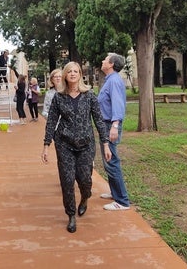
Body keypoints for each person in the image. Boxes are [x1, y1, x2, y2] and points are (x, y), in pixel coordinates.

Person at [41, 62, 111, 233]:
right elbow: (51, 121)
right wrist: (46, 145)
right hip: (64, 143)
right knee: (67, 180)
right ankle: (71, 215)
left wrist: (105, 144)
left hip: (85, 144)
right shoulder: (59, 97)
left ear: (80, 74)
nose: (72, 74)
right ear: (65, 75)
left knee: (85, 180)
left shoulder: (89, 96)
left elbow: (99, 121)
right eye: (69, 71)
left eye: (75, 71)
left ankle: (85, 197)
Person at [97, 53, 130, 211]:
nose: (103, 61)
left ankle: (122, 201)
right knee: (107, 160)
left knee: (111, 161)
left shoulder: (114, 81)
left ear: (110, 64)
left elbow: (118, 105)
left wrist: (115, 126)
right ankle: (115, 192)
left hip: (110, 123)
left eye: (105, 59)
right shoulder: (109, 80)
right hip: (106, 123)